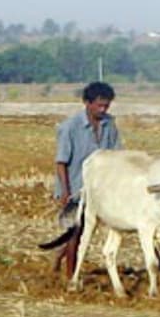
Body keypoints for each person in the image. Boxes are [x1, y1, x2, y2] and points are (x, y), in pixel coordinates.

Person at [52, 81, 122, 275]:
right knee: (76, 232)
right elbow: (61, 162)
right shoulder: (69, 127)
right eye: (99, 105)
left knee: (85, 230)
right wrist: (65, 192)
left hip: (99, 189)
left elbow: (116, 155)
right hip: (75, 187)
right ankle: (70, 276)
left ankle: (61, 254)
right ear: (87, 103)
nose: (103, 109)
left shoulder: (109, 124)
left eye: (106, 105)